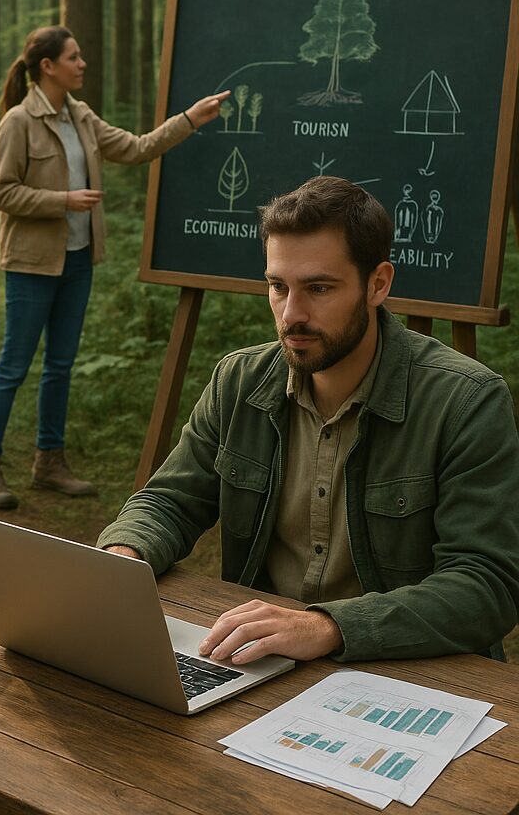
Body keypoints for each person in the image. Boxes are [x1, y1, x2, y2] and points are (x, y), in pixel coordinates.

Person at [98, 176, 519, 663]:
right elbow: (170, 500)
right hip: (259, 663)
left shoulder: (466, 401)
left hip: (409, 675)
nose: (291, 314)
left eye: (318, 288)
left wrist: (329, 625)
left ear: (377, 284)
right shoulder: (239, 381)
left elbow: (487, 586)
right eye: (278, 287)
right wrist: (123, 557)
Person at [0, 25, 229, 508]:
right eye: (74, 56)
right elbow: (1, 193)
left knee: (61, 366)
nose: (82, 62)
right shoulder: (19, 122)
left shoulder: (81, 115)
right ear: (48, 66)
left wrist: (190, 119)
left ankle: (49, 461)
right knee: (14, 365)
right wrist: (62, 200)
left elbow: (135, 148)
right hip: (30, 263)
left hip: (78, 261)